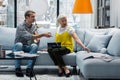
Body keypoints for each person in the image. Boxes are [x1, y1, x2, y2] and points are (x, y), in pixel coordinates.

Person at [12, 10, 51, 77]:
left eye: (34, 17)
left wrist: (37, 38)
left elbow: (36, 38)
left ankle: (29, 69)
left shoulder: (33, 27)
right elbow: (29, 36)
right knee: (19, 44)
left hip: (27, 47)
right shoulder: (20, 26)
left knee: (34, 46)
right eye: (32, 17)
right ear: (27, 17)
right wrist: (43, 34)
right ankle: (17, 69)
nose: (34, 18)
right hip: (18, 47)